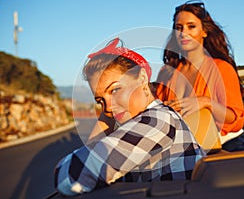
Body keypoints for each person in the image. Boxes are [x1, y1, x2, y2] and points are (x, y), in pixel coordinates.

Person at [54, 38, 206, 196]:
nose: (109, 108)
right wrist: (107, 115)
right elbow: (93, 163)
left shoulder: (158, 121)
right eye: (100, 100)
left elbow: (73, 177)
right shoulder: (138, 127)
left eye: (114, 90)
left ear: (142, 79)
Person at [155, 0, 244, 152]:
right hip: (187, 150)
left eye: (191, 26)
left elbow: (235, 119)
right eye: (179, 28)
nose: (184, 33)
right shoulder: (167, 72)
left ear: (204, 31)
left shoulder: (222, 68)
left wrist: (205, 102)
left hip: (230, 146)